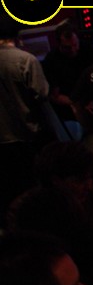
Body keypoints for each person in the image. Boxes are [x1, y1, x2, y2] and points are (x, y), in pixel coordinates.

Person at [7, 141, 93, 285]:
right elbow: (41, 270)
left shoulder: (87, 190)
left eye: (90, 178)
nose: (89, 185)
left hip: (92, 268)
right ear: (56, 181)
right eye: (80, 180)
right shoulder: (30, 210)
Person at [0, 14, 50, 215]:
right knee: (32, 192)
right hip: (26, 135)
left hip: (2, 138)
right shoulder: (25, 60)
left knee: (8, 193)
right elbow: (42, 94)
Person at [40, 20, 93, 121]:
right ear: (59, 44)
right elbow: (54, 96)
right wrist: (79, 104)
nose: (73, 50)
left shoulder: (89, 50)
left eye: (75, 45)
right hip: (68, 105)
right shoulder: (51, 60)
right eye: (67, 47)